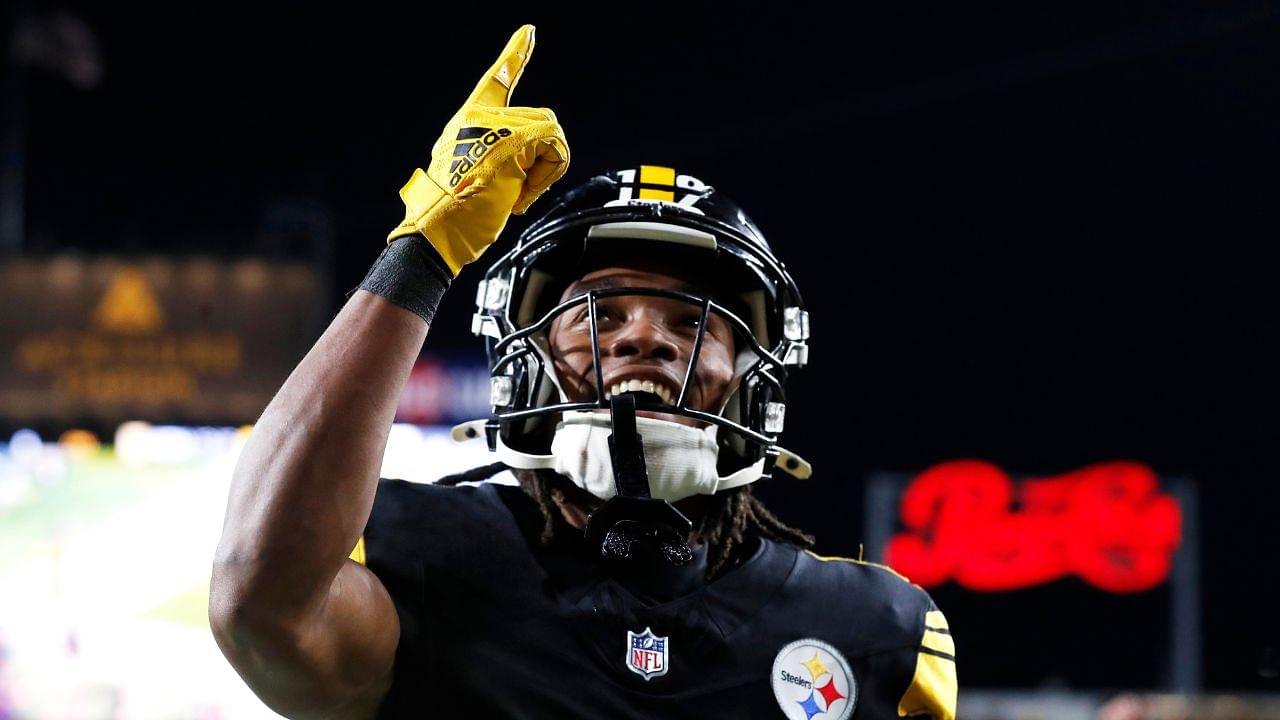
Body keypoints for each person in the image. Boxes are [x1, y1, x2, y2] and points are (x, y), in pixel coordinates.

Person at [209, 25, 957, 720]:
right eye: (599, 315)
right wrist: (426, 251)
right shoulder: (428, 559)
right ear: (525, 364)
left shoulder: (874, 632)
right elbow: (258, 604)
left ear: (754, 376)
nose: (647, 340)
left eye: (693, 324)